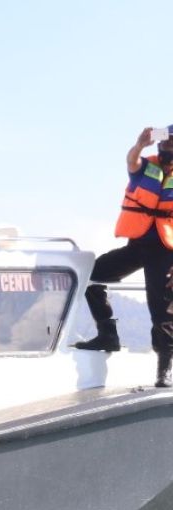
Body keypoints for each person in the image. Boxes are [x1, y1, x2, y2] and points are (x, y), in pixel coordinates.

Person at [74, 127, 173, 387]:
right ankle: (107, 333)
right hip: (138, 245)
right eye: (166, 142)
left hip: (165, 253)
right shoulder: (145, 167)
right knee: (90, 275)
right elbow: (132, 160)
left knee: (161, 313)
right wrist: (140, 144)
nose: (168, 147)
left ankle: (165, 370)